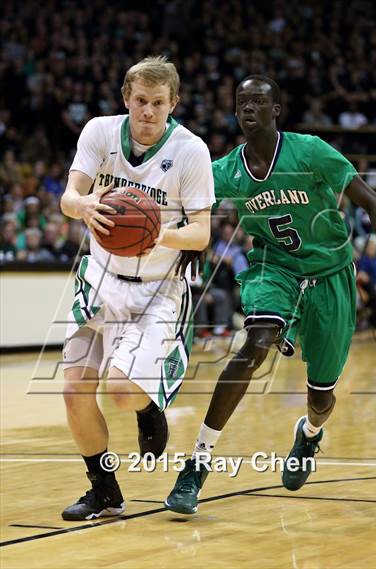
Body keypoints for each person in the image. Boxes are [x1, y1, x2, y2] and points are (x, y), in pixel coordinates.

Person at [165, 75, 376, 514]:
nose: (248, 108)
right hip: (273, 269)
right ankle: (197, 465)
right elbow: (191, 202)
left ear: (276, 110)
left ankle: (310, 434)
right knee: (253, 346)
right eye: (241, 101)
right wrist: (192, 241)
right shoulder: (227, 170)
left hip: (332, 276)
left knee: (321, 396)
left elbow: (374, 203)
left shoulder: (311, 151)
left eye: (258, 102)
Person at [59, 56, 215, 521]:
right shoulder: (99, 133)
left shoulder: (191, 151)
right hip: (102, 278)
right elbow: (69, 198)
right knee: (73, 390)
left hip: (157, 288)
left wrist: (155, 233)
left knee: (123, 391)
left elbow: (202, 233)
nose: (148, 111)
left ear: (174, 104)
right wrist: (84, 205)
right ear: (126, 98)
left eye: (159, 103)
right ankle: (104, 490)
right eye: (141, 101)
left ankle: (148, 409)